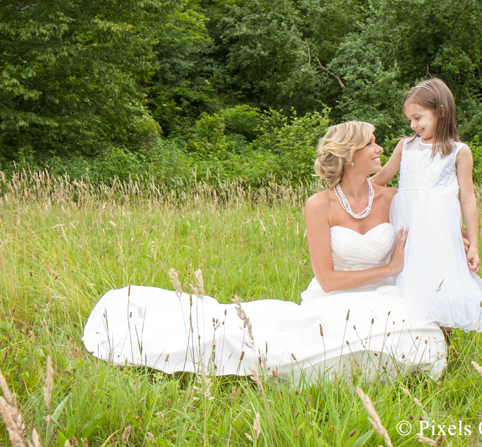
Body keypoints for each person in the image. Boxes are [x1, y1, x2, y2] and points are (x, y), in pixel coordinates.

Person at [82, 121, 448, 381]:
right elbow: (328, 280)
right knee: (272, 348)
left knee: (423, 338)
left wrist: (459, 240)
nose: (379, 149)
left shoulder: (392, 198)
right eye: (371, 143)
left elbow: (433, 228)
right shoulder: (319, 205)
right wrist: (389, 268)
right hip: (335, 299)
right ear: (351, 154)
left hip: (385, 297)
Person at [371, 78, 482, 331]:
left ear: (440, 111)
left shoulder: (459, 151)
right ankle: (405, 333)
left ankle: (441, 339)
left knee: (438, 280)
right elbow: (380, 180)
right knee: (405, 278)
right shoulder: (405, 146)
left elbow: (468, 199)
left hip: (437, 233)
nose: (413, 125)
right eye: (410, 120)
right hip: (406, 228)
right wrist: (343, 189)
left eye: (418, 117)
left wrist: (475, 245)